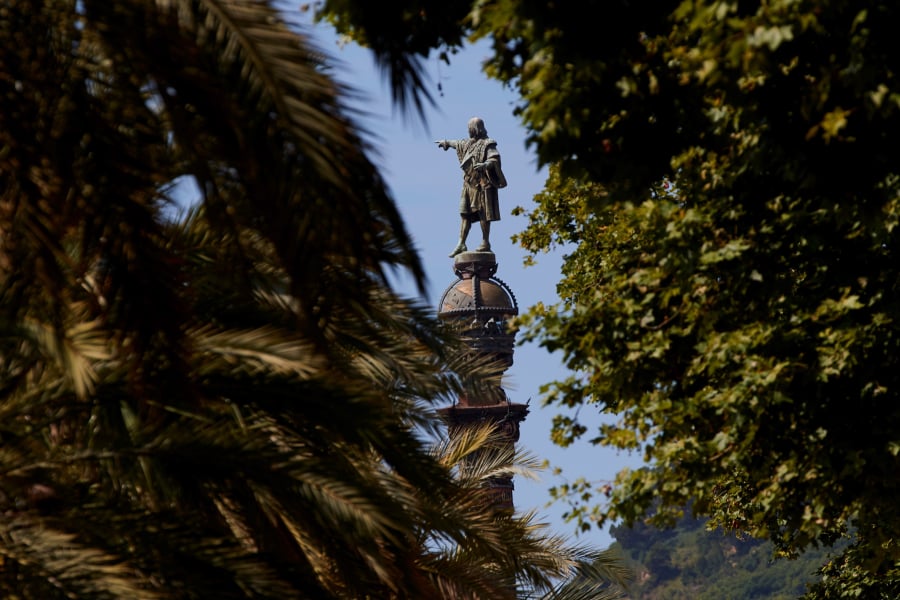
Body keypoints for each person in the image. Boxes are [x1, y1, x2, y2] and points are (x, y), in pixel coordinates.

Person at [436, 117, 507, 257]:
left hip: (482, 185)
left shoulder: (488, 144)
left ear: (476, 128)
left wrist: (485, 164)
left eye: (470, 128)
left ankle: (485, 242)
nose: (469, 131)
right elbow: (457, 143)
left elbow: (494, 158)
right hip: (468, 184)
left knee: (483, 213)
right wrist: (446, 143)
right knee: (464, 214)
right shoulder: (468, 143)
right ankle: (461, 243)